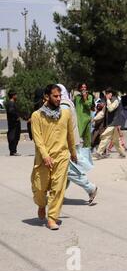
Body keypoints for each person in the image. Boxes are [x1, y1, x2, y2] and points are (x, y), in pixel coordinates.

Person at [30, 84, 77, 230]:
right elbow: (38, 139)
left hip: (62, 156)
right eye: (55, 96)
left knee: (58, 188)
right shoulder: (37, 116)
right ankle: (41, 204)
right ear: (46, 97)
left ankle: (52, 217)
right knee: (39, 188)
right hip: (43, 158)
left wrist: (73, 152)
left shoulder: (66, 113)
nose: (58, 99)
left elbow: (70, 134)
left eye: (59, 96)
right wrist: (45, 156)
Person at [58, 84, 98, 205]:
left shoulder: (64, 105)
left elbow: (89, 108)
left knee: (68, 170)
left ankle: (90, 187)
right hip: (71, 139)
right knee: (64, 171)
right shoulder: (72, 100)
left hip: (67, 141)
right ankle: (57, 194)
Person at [94, 89, 127, 159]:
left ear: (110, 94)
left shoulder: (116, 101)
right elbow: (103, 113)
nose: (105, 95)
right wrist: (94, 119)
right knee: (116, 141)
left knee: (105, 136)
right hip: (112, 124)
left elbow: (110, 108)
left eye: (107, 94)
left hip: (114, 124)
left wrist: (108, 100)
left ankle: (98, 153)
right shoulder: (108, 101)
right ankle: (122, 153)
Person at [74, 83, 95, 148]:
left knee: (87, 139)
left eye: (85, 87)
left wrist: (85, 98)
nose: (83, 88)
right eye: (82, 87)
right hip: (78, 120)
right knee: (77, 137)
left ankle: (86, 153)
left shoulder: (90, 97)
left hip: (86, 120)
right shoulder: (77, 97)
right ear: (79, 88)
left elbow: (89, 106)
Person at [6, 90, 21, 156]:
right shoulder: (11, 103)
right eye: (16, 95)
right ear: (13, 96)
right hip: (14, 123)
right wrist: (16, 117)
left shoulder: (11, 103)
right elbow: (11, 111)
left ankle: (13, 151)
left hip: (13, 123)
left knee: (15, 136)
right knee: (13, 136)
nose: (16, 96)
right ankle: (13, 151)